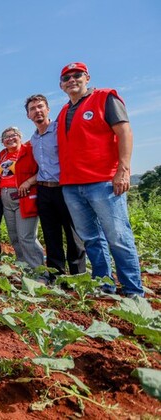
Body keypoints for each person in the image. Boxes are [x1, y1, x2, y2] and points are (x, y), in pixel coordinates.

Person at [57, 62, 144, 297]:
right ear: (61, 85)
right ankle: (104, 284)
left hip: (103, 181)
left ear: (87, 77)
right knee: (91, 239)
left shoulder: (105, 98)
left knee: (118, 236)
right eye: (66, 78)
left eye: (77, 75)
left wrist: (123, 170)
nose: (72, 80)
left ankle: (133, 291)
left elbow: (124, 132)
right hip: (72, 185)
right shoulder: (64, 111)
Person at [25, 94, 86, 278]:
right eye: (32, 109)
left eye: (40, 107)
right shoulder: (33, 140)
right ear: (28, 115)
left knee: (73, 234)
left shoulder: (60, 129)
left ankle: (77, 276)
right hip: (44, 190)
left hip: (65, 188)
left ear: (48, 109)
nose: (37, 111)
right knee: (51, 236)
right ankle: (56, 275)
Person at [0, 127, 44, 269]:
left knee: (26, 237)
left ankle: (38, 270)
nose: (10, 138)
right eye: (6, 137)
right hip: (6, 199)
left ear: (20, 137)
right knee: (14, 236)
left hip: (23, 197)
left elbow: (43, 169)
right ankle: (24, 268)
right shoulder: (2, 156)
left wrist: (28, 182)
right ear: (3, 142)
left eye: (14, 135)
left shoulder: (29, 151)